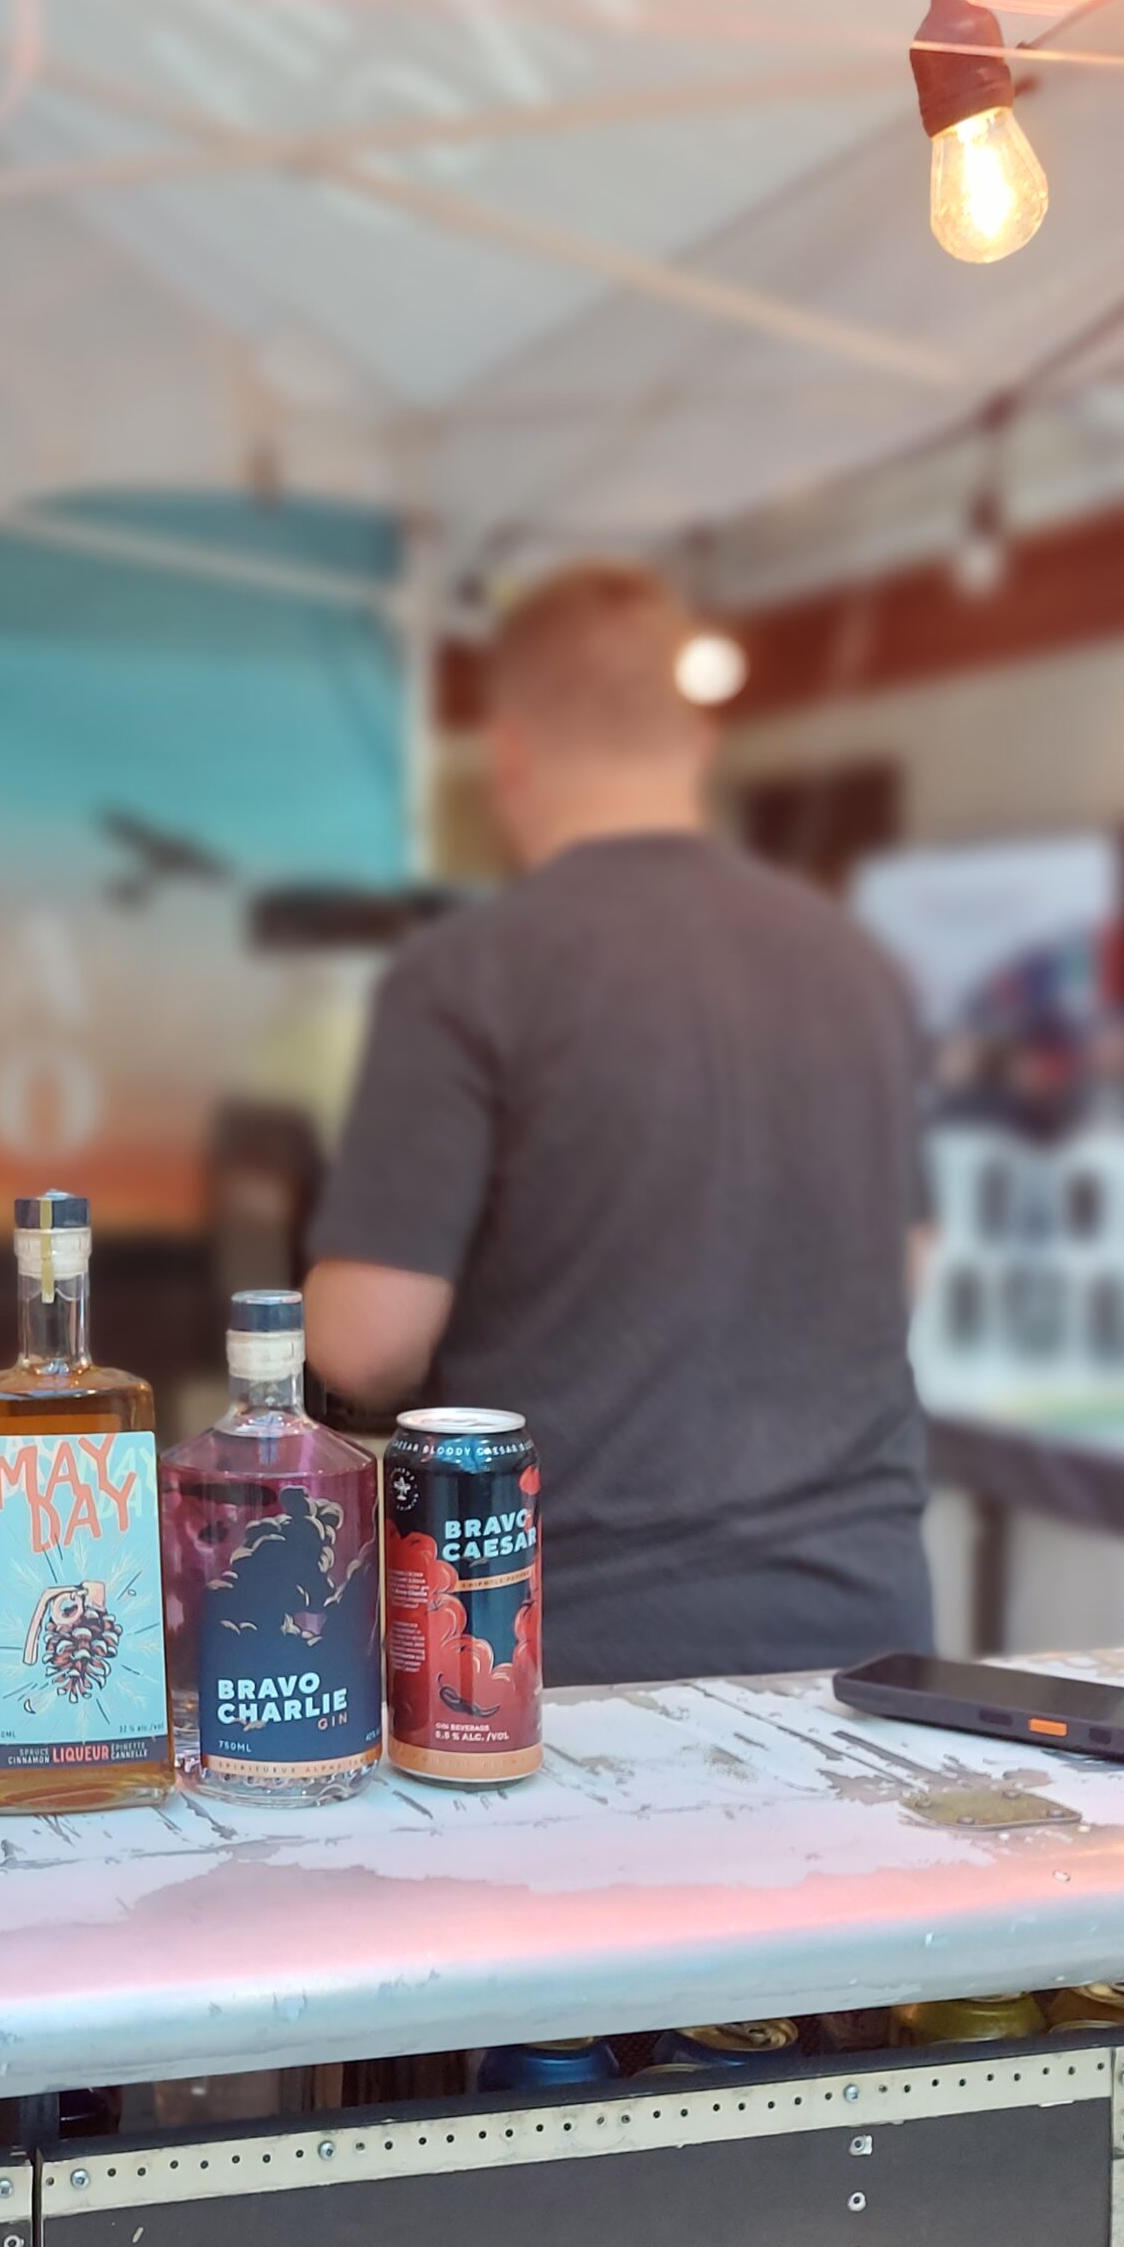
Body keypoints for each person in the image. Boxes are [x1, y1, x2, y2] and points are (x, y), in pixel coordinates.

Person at [306, 562, 931, 1688]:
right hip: (863, 1640)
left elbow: (364, 1342)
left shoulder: (467, 975)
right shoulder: (863, 968)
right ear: (698, 743)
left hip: (562, 1650)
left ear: (508, 754)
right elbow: (907, 1267)